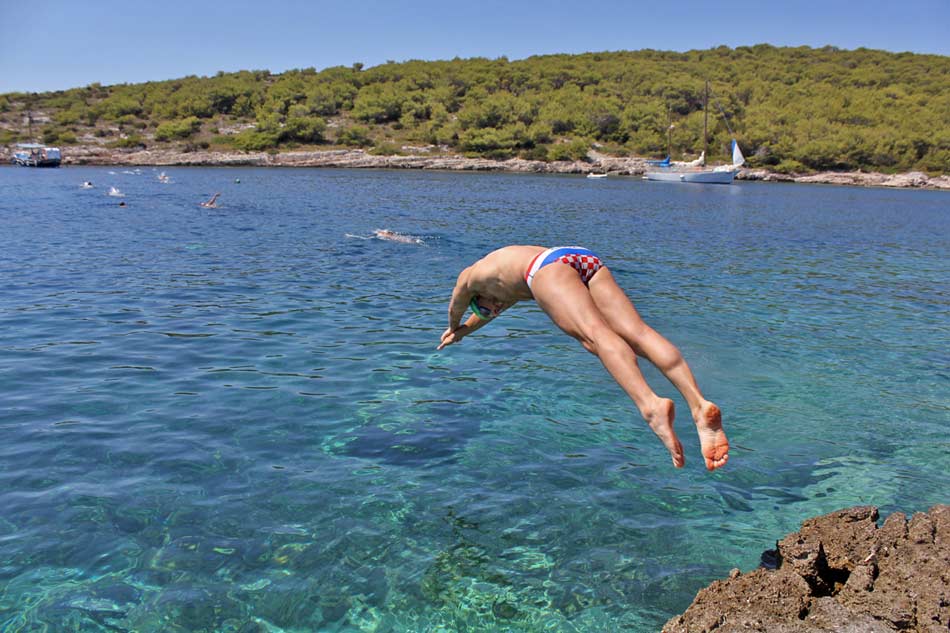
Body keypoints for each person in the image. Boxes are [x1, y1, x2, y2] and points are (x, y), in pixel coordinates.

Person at [438, 245, 729, 471]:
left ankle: (650, 405)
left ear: (480, 298)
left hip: (546, 268)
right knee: (637, 333)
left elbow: (455, 305)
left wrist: (453, 326)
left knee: (596, 337)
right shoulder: (503, 280)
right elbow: (484, 316)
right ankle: (698, 405)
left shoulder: (469, 278)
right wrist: (464, 333)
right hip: (578, 257)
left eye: (488, 309)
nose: (494, 310)